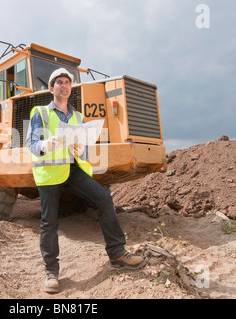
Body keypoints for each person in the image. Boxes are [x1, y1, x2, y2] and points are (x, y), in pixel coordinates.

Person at [25, 68, 147, 294]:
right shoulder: (40, 113)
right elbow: (32, 144)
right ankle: (51, 272)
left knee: (103, 197)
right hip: (50, 174)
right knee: (49, 222)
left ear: (70, 88)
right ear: (52, 89)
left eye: (67, 82)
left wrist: (81, 149)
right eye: (59, 82)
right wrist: (44, 145)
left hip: (72, 169)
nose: (64, 85)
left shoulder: (78, 116)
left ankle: (117, 253)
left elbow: (81, 148)